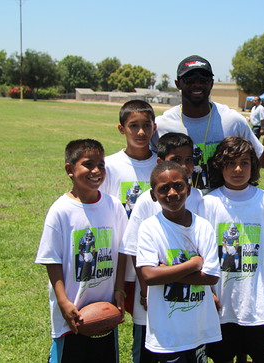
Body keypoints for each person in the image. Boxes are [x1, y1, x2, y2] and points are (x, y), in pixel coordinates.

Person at [151, 55, 264, 194]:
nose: (197, 85)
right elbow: (141, 160)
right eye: (189, 80)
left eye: (203, 80)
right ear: (178, 83)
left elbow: (261, 157)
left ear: (211, 83)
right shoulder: (161, 125)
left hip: (222, 211)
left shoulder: (232, 120)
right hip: (180, 212)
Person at [199, 137, 264, 363]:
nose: (238, 169)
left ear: (254, 166)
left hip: (255, 305)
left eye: (245, 162)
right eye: (230, 163)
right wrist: (207, 291)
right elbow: (200, 252)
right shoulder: (209, 202)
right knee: (222, 357)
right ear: (220, 165)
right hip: (221, 303)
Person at [35, 139, 128, 363]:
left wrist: (119, 290)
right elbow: (52, 260)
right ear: (70, 169)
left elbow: (122, 252)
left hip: (104, 309)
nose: (96, 171)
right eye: (88, 164)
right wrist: (63, 302)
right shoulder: (61, 210)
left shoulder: (113, 205)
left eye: (101, 164)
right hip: (72, 313)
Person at [121, 132, 203, 363]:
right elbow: (134, 248)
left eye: (189, 160)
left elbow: (204, 251)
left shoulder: (198, 198)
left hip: (189, 296)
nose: (185, 166)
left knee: (186, 347)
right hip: (151, 295)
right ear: (161, 162)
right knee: (148, 349)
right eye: (177, 160)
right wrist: (145, 289)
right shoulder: (148, 201)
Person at [136, 161, 221, 361]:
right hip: (166, 334)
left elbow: (211, 277)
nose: (172, 193)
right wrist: (192, 264)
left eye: (178, 186)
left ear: (189, 189)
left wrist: (166, 272)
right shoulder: (149, 228)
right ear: (153, 195)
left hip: (198, 329)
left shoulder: (203, 227)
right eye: (163, 189)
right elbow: (148, 275)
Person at [99, 100, 158, 318]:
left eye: (147, 125)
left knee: (149, 324)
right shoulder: (109, 166)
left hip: (153, 261)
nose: (141, 131)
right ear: (121, 128)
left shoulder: (161, 165)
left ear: (155, 127)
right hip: (121, 262)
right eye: (134, 125)